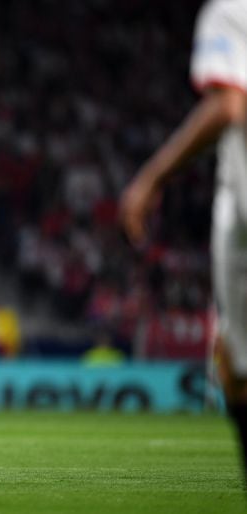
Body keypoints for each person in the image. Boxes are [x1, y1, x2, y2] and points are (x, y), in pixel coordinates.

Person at [120, 0, 247, 485]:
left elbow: (226, 104)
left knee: (235, 371)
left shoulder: (229, 11)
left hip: (242, 212)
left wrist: (152, 178)